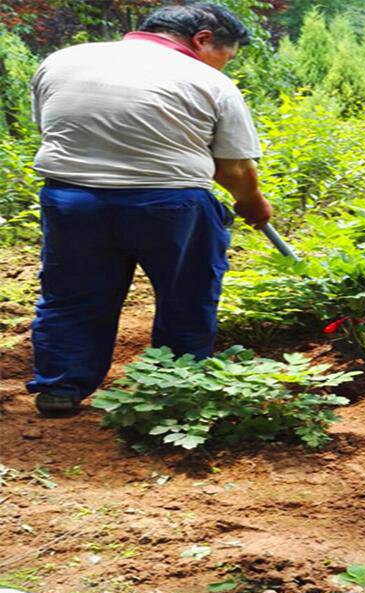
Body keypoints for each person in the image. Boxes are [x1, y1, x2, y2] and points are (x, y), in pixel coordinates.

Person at [27, 2, 273, 416]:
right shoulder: (207, 80)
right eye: (225, 57)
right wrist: (253, 204)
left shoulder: (62, 61)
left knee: (72, 295)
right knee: (186, 295)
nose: (224, 68)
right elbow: (233, 167)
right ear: (203, 40)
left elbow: (56, 128)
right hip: (170, 203)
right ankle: (175, 391)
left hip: (72, 201)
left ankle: (60, 388)